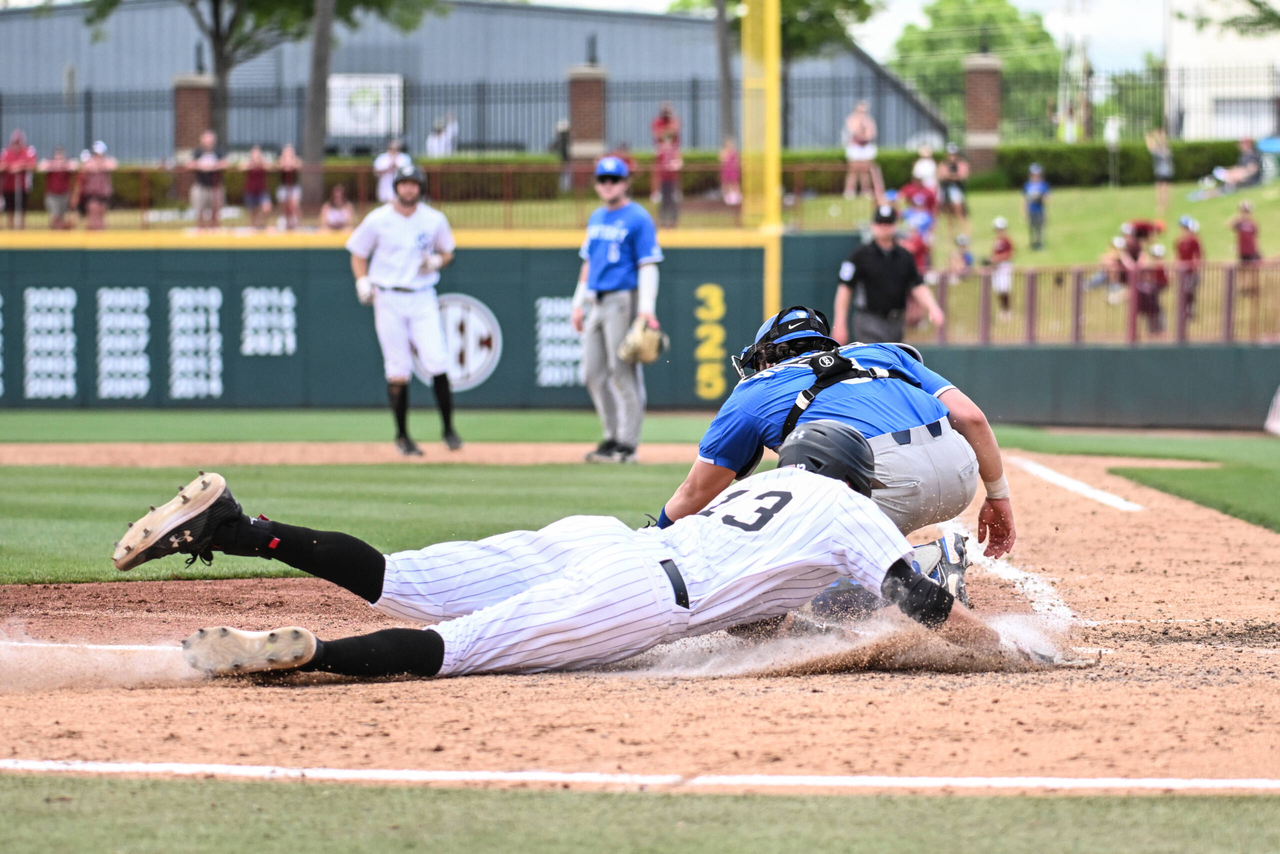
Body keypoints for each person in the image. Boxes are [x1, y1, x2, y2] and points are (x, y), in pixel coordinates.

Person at [112, 425, 1008, 680]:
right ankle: (314, 657)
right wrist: (1004, 651)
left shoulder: (756, 490)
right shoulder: (851, 514)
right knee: (462, 650)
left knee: (404, 578)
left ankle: (238, 528)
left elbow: (767, 599)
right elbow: (922, 605)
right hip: (642, 592)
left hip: (601, 538)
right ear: (859, 478)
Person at [655, 306, 1018, 610]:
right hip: (961, 473)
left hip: (886, 486)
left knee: (806, 601)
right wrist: (998, 496)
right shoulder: (883, 352)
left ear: (765, 354)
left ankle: (923, 569)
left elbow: (694, 493)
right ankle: (897, 562)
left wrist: (658, 538)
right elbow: (971, 418)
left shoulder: (754, 390)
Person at [346, 165, 463, 455]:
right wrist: (362, 282)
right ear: (395, 187)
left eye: (414, 184)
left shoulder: (434, 219)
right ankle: (402, 436)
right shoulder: (379, 219)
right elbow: (358, 253)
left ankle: (448, 429)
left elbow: (448, 251)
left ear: (421, 188)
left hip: (422, 295)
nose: (409, 189)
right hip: (389, 296)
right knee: (397, 369)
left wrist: (437, 261)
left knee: (437, 360)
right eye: (404, 184)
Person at [571, 156, 663, 464]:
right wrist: (577, 303)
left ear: (625, 183)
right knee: (592, 374)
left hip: (623, 298)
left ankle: (627, 445)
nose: (608, 185)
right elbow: (588, 263)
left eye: (614, 179)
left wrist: (646, 310)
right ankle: (611, 438)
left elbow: (648, 265)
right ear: (597, 184)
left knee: (623, 372)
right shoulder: (597, 217)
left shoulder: (638, 217)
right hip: (595, 300)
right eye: (603, 180)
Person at [832, 204, 944, 345]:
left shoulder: (905, 256)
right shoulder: (859, 255)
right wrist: (840, 323)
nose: (884, 227)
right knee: (875, 362)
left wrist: (932, 307)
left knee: (891, 365)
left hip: (896, 322)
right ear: (873, 225)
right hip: (869, 321)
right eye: (880, 223)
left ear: (895, 225)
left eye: (888, 223)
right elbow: (844, 289)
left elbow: (917, 285)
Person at [188, 130, 227, 229]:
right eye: (207, 140)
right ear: (202, 140)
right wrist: (201, 166)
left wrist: (214, 166)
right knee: (199, 210)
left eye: (211, 140)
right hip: (201, 185)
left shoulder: (218, 151)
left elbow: (225, 163)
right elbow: (190, 164)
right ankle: (201, 228)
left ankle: (214, 228)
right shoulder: (197, 151)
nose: (209, 142)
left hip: (215, 185)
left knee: (216, 210)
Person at [843, 101, 882, 201]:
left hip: (865, 147)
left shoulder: (869, 120)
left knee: (865, 170)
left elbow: (870, 134)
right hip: (855, 147)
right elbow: (854, 132)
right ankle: (850, 191)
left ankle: (865, 190)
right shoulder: (852, 119)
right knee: (853, 170)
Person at [2, 129, 37, 229]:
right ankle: (11, 228)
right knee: (10, 209)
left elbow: (33, 165)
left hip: (23, 186)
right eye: (15, 142)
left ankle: (22, 228)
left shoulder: (28, 151)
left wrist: (20, 166)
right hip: (9, 186)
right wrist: (9, 167)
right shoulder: (6, 152)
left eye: (18, 142)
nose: (16, 145)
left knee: (22, 208)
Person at [79, 141, 117, 231]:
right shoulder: (89, 162)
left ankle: (100, 238)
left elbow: (113, 164)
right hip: (92, 193)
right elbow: (86, 168)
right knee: (93, 216)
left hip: (103, 193)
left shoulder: (106, 161)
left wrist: (99, 166)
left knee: (102, 217)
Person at [38, 145, 76, 230]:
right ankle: (54, 234)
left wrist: (63, 166)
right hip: (52, 194)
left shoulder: (67, 165)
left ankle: (61, 237)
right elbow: (41, 166)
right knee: (55, 216)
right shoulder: (50, 164)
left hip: (64, 194)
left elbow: (74, 165)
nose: (59, 160)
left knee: (62, 217)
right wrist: (54, 166)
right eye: (57, 158)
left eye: (61, 158)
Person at [1230, 200, 1262, 296]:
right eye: (1243, 211)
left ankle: (1253, 288)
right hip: (1242, 251)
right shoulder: (1239, 223)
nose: (1245, 214)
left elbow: (1256, 237)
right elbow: (1230, 225)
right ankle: (1243, 288)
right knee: (1242, 270)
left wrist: (1258, 248)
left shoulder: (1253, 224)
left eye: (1247, 211)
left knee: (1253, 270)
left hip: (1252, 250)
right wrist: (1239, 217)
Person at [1136, 243, 1169, 335]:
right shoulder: (1149, 265)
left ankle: (1160, 331)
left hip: (1155, 289)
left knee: (1155, 310)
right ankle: (1150, 331)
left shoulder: (1160, 266)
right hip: (1150, 292)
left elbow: (1165, 280)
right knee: (1150, 310)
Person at [938, 143, 969, 237]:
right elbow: (941, 175)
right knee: (948, 213)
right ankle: (950, 233)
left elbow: (963, 176)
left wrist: (950, 176)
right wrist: (954, 176)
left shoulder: (961, 163)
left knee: (960, 211)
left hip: (956, 189)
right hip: (946, 189)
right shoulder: (944, 164)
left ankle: (964, 231)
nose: (952, 157)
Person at [1175, 216, 1203, 319]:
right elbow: (1178, 256)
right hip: (1183, 271)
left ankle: (1190, 310)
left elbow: (1198, 255)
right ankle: (1183, 310)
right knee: (1183, 291)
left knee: (1190, 291)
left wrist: (1195, 266)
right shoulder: (1179, 241)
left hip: (1191, 271)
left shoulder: (1194, 240)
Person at [240, 145, 271, 230]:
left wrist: (260, 163)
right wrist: (251, 164)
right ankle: (254, 227)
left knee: (266, 208)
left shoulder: (263, 163)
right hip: (250, 190)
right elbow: (241, 167)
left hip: (262, 190)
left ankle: (261, 224)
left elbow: (270, 167)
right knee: (252, 212)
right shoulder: (248, 163)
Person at [655, 133, 682, 228]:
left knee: (673, 201)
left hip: (672, 180)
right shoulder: (661, 152)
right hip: (663, 179)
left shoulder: (674, 151)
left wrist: (674, 165)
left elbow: (679, 162)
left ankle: (673, 221)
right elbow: (657, 164)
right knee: (663, 201)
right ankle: (662, 221)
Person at [373, 138, 411, 205]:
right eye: (392, 148)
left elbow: (408, 172)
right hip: (385, 184)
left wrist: (396, 166)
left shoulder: (404, 158)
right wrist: (387, 168)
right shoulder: (382, 158)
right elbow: (376, 171)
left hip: (400, 185)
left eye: (396, 148)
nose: (394, 150)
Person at [991, 216, 1015, 319]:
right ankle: (1002, 309)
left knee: (1005, 289)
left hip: (1004, 266)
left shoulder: (1007, 241)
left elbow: (1010, 254)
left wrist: (998, 258)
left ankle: (1007, 310)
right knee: (999, 290)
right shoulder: (996, 241)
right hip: (997, 267)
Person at [1146, 127, 1174, 215]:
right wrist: (1159, 136)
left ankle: (1161, 206)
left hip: (1161, 172)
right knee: (1166, 189)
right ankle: (1166, 205)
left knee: (1160, 190)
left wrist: (1149, 136)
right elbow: (1163, 142)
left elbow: (1150, 146)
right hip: (1168, 172)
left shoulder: (1158, 151)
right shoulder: (1167, 149)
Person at [1023, 163, 1049, 251]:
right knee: (1031, 227)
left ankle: (1039, 243)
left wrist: (1040, 197)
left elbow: (1047, 198)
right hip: (1031, 210)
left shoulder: (1043, 185)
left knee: (1039, 227)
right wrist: (1024, 212)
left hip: (1039, 210)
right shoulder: (1027, 185)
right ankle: (1032, 243)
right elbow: (1025, 200)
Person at [275, 143, 301, 231]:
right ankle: (285, 224)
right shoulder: (281, 160)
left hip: (293, 187)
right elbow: (281, 166)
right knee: (283, 207)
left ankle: (297, 225)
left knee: (295, 206)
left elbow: (298, 165)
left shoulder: (296, 160)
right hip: (283, 186)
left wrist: (291, 162)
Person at [719, 137, 741, 207]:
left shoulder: (734, 152)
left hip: (733, 170)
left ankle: (736, 198)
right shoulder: (723, 152)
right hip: (726, 170)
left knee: (734, 183)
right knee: (726, 184)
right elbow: (722, 160)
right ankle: (726, 198)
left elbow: (738, 161)